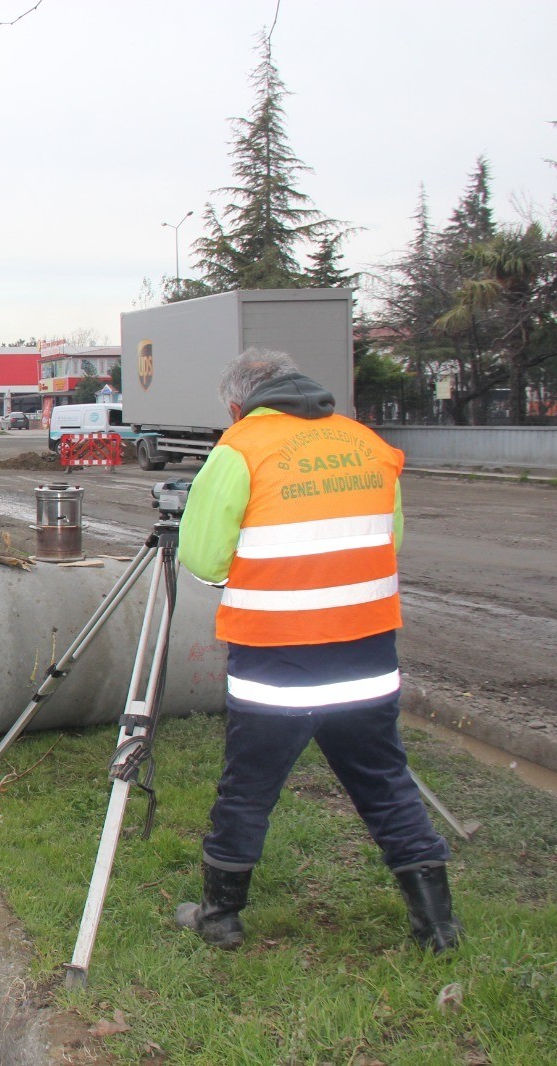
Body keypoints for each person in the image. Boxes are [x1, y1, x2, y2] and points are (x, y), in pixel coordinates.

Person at [174, 349, 460, 953]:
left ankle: (220, 917)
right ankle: (437, 925)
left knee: (248, 787)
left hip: (277, 658)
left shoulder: (241, 448)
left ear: (237, 404)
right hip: (366, 653)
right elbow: (391, 539)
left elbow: (202, 559)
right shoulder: (366, 442)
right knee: (385, 780)